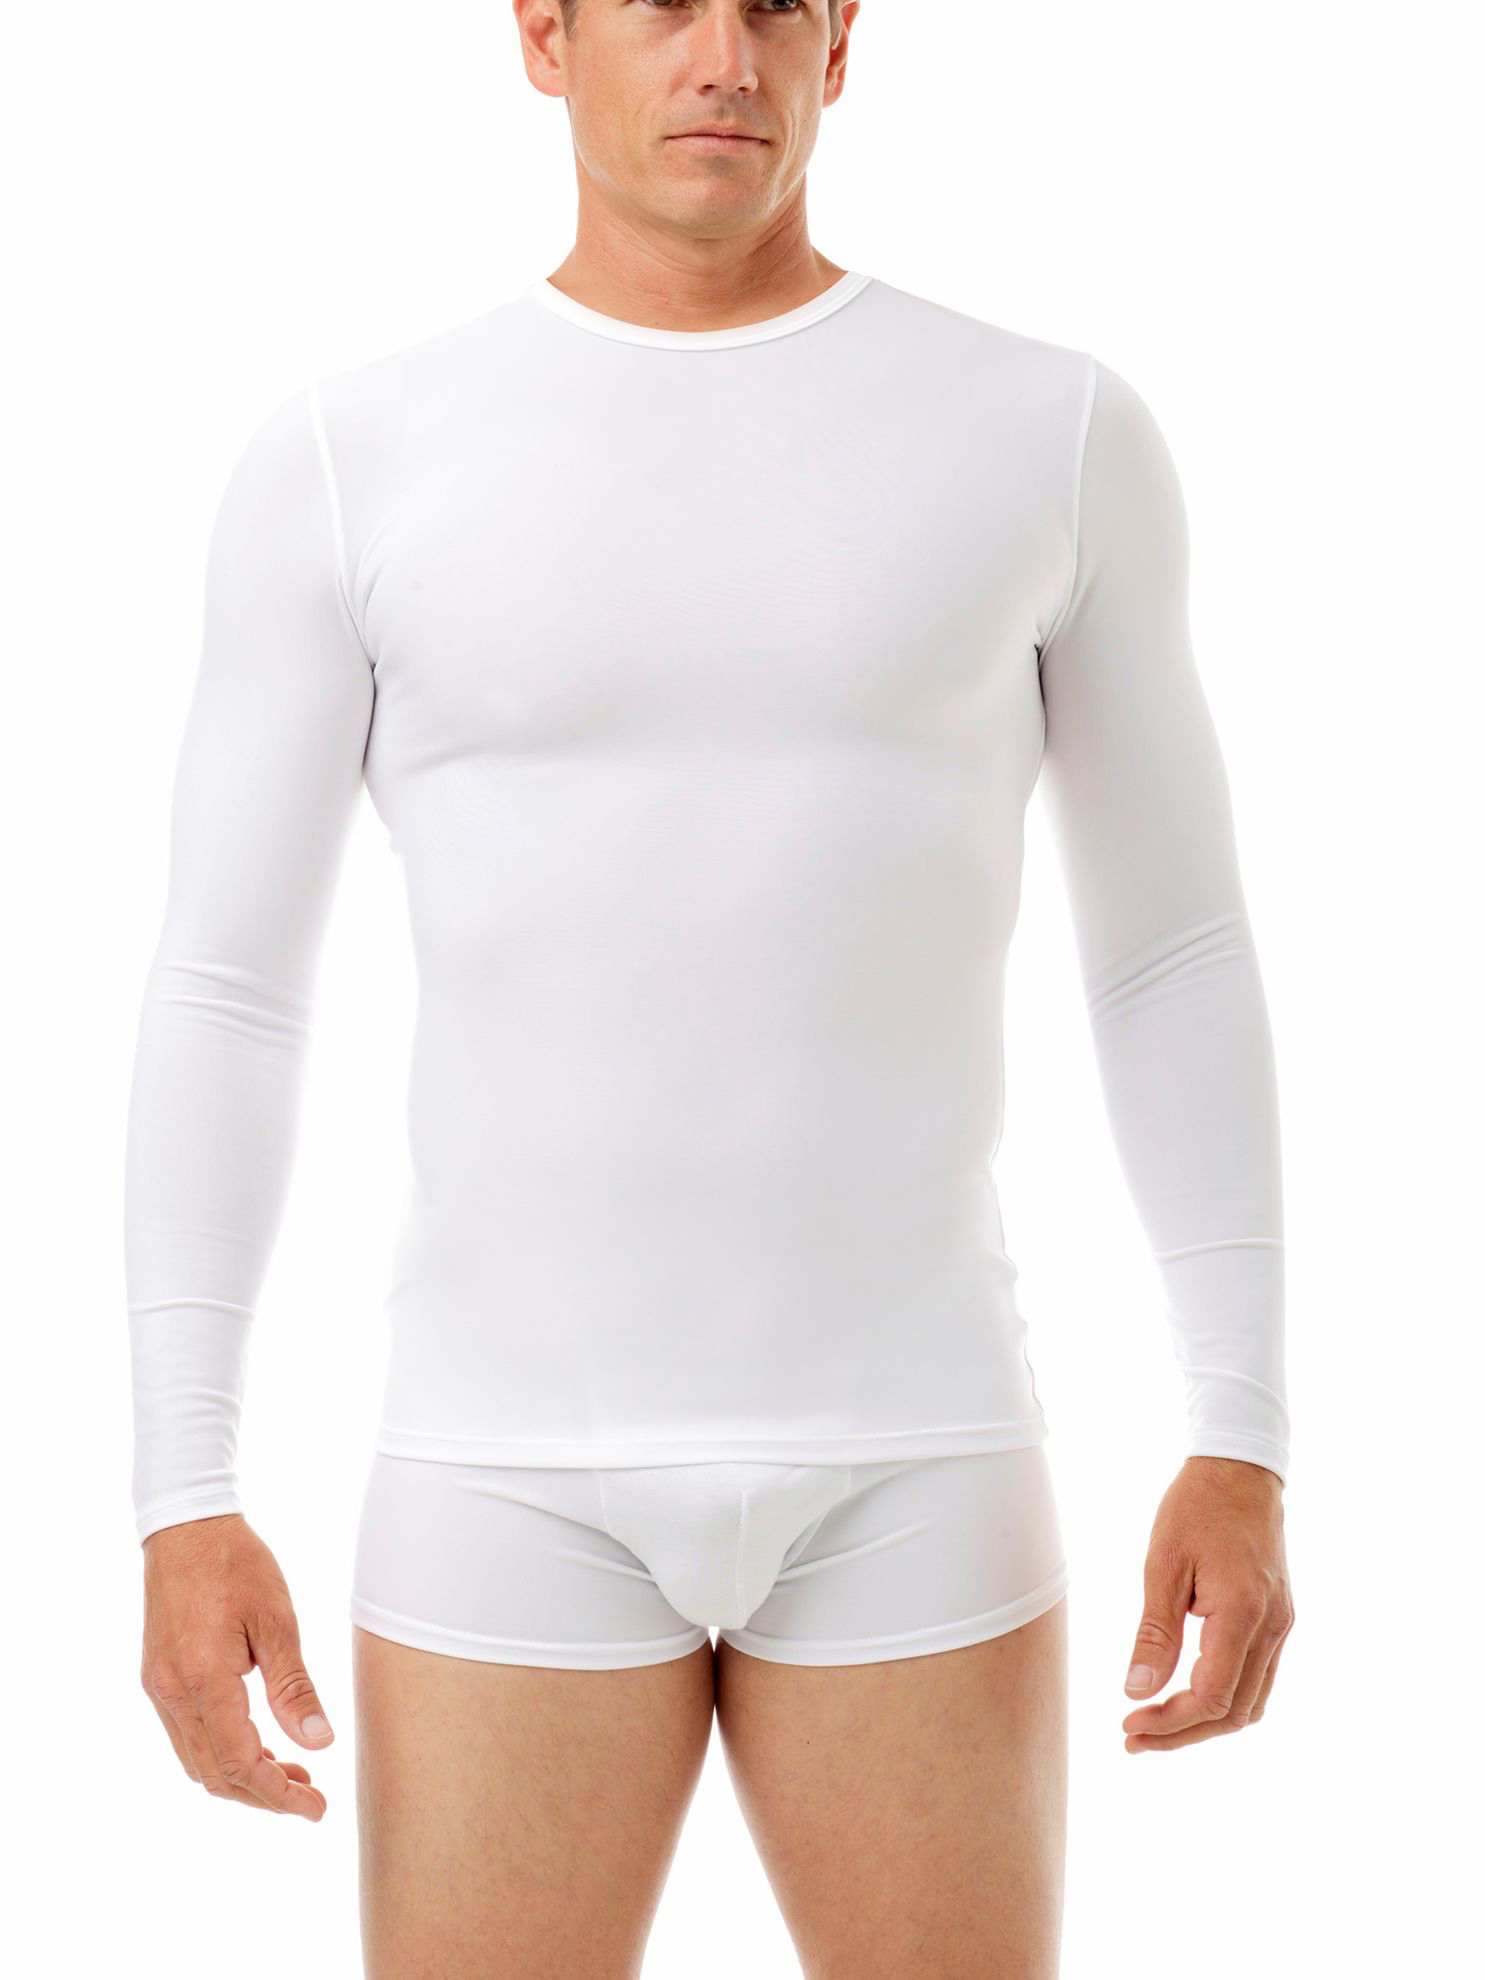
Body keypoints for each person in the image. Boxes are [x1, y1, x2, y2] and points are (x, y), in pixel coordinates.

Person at [125, 2, 1296, 1973]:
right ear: (543, 33)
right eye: (661, 3)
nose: (723, 58)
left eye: (772, 4)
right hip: (504, 1462)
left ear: (843, 42)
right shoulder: (352, 458)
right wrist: (183, 1488)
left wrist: (1240, 1429)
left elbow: (1171, 947)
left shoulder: (1049, 435)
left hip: (916, 1447)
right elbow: (227, 992)